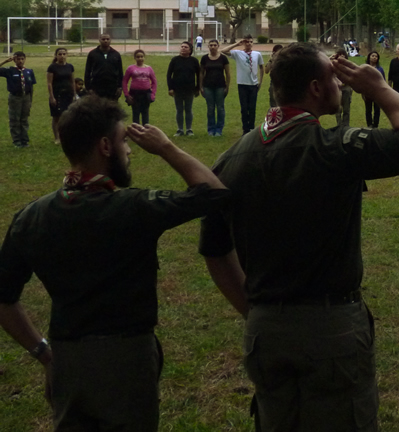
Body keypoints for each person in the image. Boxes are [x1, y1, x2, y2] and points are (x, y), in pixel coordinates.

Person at [198, 43, 399, 430]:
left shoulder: (231, 158)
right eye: (333, 76)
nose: (341, 84)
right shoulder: (334, 148)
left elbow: (214, 250)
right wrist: (377, 88)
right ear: (315, 88)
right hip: (330, 329)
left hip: (265, 329)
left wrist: (254, 309)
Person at [0, 95, 229, 431]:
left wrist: (44, 355)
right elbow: (215, 193)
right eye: (124, 141)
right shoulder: (134, 208)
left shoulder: (30, 217)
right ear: (105, 146)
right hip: (127, 358)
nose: (129, 150)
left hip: (67, 358)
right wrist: (166, 148)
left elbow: (3, 298)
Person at [224, 35, 264, 135]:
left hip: (253, 84)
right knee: (244, 108)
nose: (249, 44)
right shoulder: (238, 53)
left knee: (252, 107)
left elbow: (261, 67)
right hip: (242, 84)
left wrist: (260, 81)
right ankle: (245, 129)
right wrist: (237, 44)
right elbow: (223, 51)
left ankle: (251, 128)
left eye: (250, 42)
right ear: (244, 43)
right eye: (247, 42)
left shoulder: (257, 54)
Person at [0, 51, 37, 148]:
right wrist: (5, 61)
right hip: (15, 97)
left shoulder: (29, 71)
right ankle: (17, 141)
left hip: (26, 97)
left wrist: (30, 99)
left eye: (22, 59)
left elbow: (31, 86)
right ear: (14, 60)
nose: (20, 61)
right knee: (15, 119)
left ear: (25, 59)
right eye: (18, 59)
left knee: (24, 119)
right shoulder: (9, 70)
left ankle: (24, 140)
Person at [167, 41, 201, 136]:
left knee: (188, 109)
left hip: (190, 89)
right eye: (182, 46)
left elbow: (199, 75)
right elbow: (169, 75)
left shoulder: (194, 61)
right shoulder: (175, 60)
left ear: (190, 50)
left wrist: (198, 88)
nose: (183, 48)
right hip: (177, 89)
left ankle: (189, 129)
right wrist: (170, 88)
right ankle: (180, 129)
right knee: (179, 109)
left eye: (185, 47)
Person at [200, 39, 231, 137]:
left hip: (220, 86)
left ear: (218, 46)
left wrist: (227, 86)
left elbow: (228, 73)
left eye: (214, 45)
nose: (213, 47)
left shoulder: (223, 58)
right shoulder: (204, 58)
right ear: (208, 46)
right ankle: (211, 129)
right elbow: (201, 73)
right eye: (211, 45)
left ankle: (219, 129)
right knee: (210, 108)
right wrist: (200, 86)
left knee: (220, 108)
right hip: (208, 86)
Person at [47, 48, 75, 145]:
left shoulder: (70, 67)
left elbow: (72, 81)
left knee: (68, 116)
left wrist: (74, 95)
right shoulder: (52, 67)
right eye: (60, 54)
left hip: (68, 94)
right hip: (57, 94)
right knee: (57, 117)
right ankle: (57, 137)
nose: (62, 56)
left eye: (64, 54)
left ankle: (66, 136)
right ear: (56, 55)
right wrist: (52, 97)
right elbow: (49, 83)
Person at [83, 33, 123, 101]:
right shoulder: (92, 54)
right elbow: (87, 72)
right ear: (99, 40)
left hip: (112, 87)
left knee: (111, 106)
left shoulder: (116, 54)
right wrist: (89, 88)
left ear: (110, 40)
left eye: (107, 39)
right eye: (103, 39)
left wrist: (120, 87)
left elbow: (120, 72)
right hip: (97, 87)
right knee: (97, 106)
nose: (105, 41)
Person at [123, 49, 158, 125]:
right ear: (135, 58)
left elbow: (154, 82)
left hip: (146, 94)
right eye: (138, 57)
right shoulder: (130, 68)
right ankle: (136, 130)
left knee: (145, 114)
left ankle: (145, 130)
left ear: (144, 57)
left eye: (142, 56)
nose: (140, 58)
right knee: (136, 114)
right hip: (134, 94)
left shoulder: (149, 68)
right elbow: (125, 81)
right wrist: (127, 95)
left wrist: (152, 94)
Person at [362, 50, 386, 127]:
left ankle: (375, 125)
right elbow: (361, 80)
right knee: (368, 109)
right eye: (373, 56)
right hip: (367, 91)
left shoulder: (380, 69)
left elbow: (383, 80)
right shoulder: (365, 68)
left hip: (377, 91)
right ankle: (369, 124)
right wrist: (362, 92)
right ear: (369, 57)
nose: (374, 57)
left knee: (377, 109)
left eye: (376, 56)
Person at [266, 44, 284, 108]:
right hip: (273, 83)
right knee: (273, 104)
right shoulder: (272, 61)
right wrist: (271, 60)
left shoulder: (284, 61)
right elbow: (266, 71)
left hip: (283, 84)